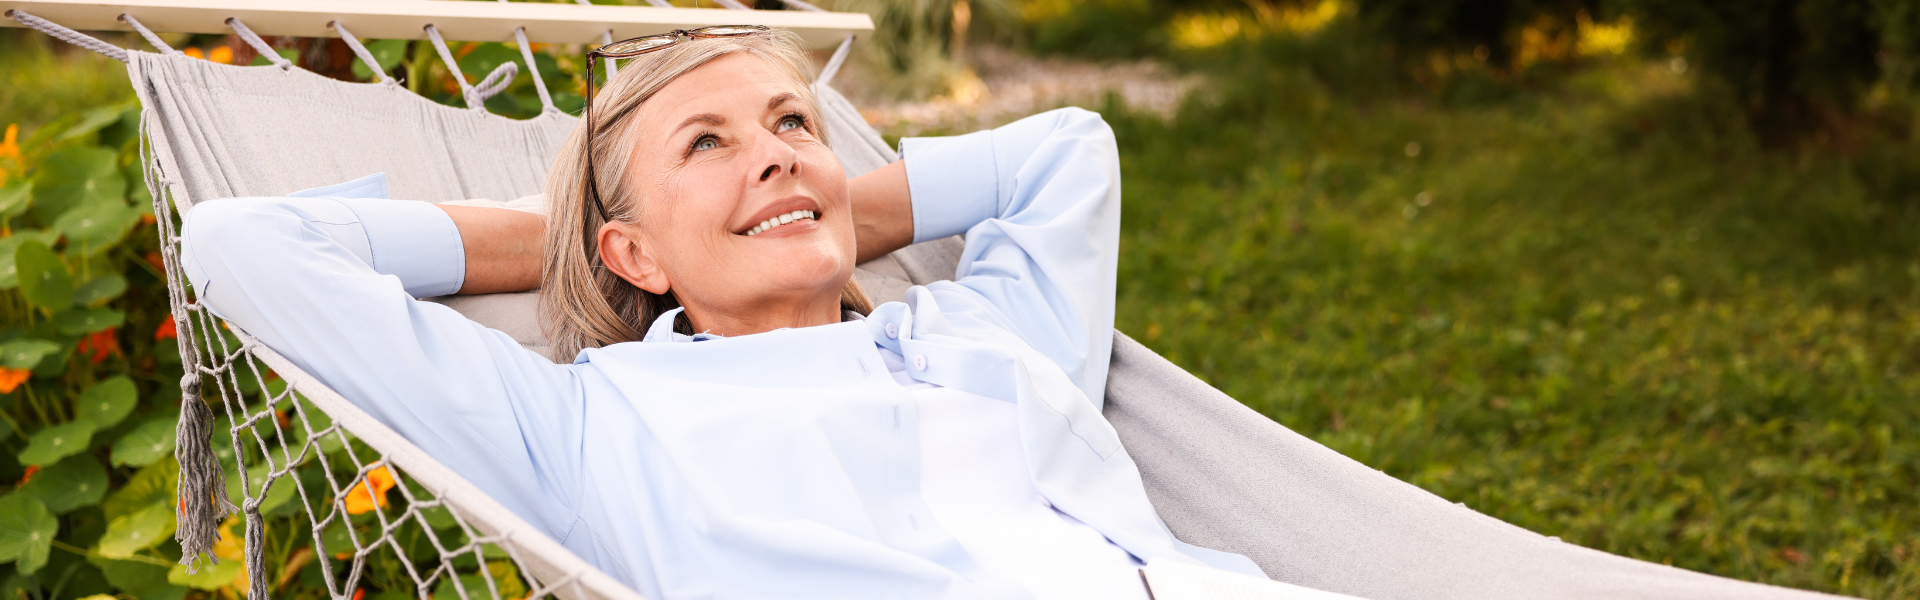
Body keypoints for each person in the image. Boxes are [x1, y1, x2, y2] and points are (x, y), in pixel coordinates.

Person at [180, 27, 1262, 599]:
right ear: (631, 250)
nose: (779, 148)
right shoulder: (589, 428)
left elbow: (1068, 148)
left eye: (794, 122)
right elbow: (242, 246)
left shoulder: (982, 333)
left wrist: (814, 210)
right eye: (708, 142)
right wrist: (555, 243)